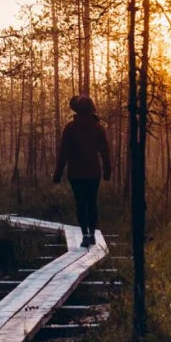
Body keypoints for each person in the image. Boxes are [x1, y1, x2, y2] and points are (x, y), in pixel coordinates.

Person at [53, 95, 113, 243]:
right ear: (91, 109)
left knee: (80, 203)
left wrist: (58, 173)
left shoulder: (70, 128)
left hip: (76, 174)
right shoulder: (98, 128)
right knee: (92, 203)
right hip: (93, 173)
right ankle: (92, 234)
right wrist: (107, 170)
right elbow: (105, 151)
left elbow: (64, 153)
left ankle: (85, 234)